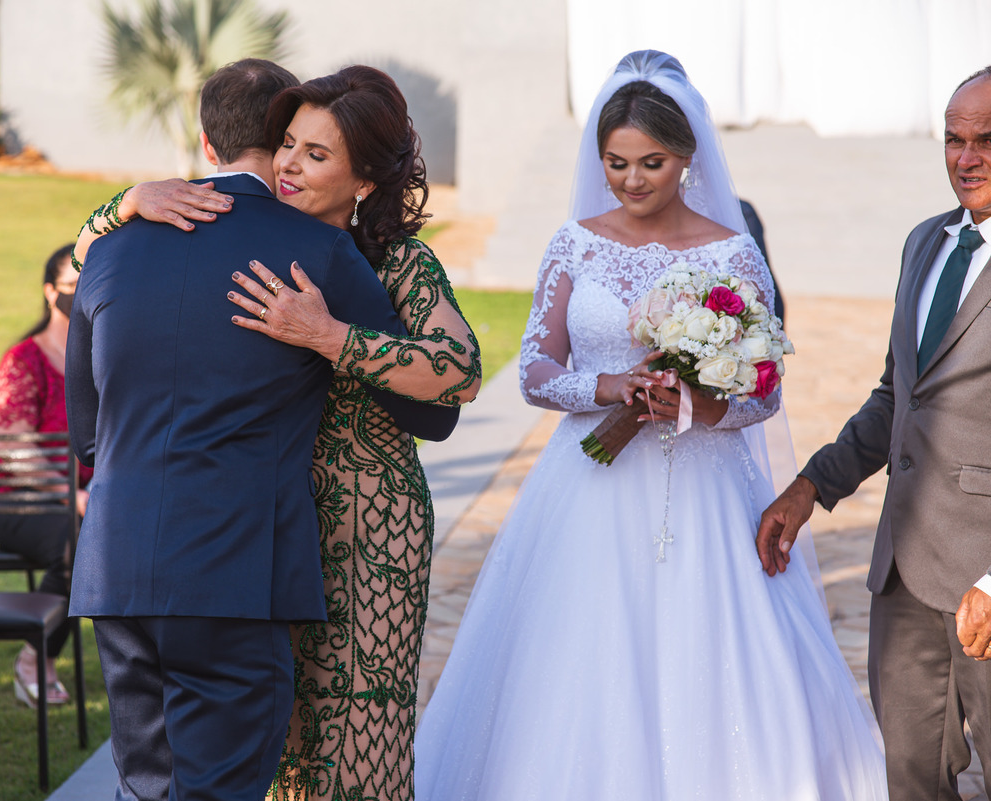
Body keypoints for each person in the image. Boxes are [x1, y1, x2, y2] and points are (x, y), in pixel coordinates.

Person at [413, 50, 888, 800]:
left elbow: (765, 391)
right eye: (616, 162)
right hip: (585, 490)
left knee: (704, 650)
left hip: (703, 491)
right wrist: (611, 384)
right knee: (581, 660)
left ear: (687, 158)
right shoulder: (574, 242)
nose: (632, 180)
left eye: (651, 163)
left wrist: (695, 406)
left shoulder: (732, 251)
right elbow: (535, 370)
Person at [76, 65, 481, 801]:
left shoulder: (393, 264)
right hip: (254, 539)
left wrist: (331, 335)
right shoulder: (215, 232)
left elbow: (453, 384)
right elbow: (93, 269)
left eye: (315, 154)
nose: (289, 163)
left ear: (363, 180)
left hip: (360, 536)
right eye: (286, 143)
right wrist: (125, 202)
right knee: (265, 761)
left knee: (349, 753)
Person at [758, 66, 991, 800]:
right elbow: (900, 395)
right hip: (905, 577)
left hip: (985, 579)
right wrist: (811, 486)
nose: (966, 157)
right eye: (953, 139)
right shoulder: (925, 243)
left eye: (986, 139)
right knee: (912, 781)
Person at [0, 243, 90, 708]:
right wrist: (71, 494)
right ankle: (35, 658)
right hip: (17, 503)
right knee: (80, 540)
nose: (81, 295)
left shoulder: (99, 359)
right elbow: (13, 450)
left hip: (86, 499)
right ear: (50, 293)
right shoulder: (23, 361)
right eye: (72, 286)